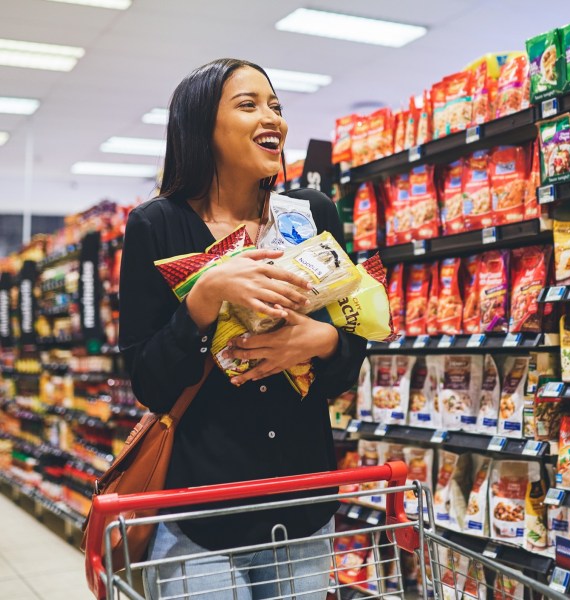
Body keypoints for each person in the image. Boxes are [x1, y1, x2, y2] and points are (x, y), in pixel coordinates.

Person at [119, 58, 366, 599]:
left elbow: (351, 346)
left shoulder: (312, 212)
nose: (271, 117)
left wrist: (323, 341)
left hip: (303, 503)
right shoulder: (156, 226)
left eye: (275, 105)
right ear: (200, 126)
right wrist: (203, 300)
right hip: (201, 518)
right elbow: (147, 382)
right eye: (249, 105)